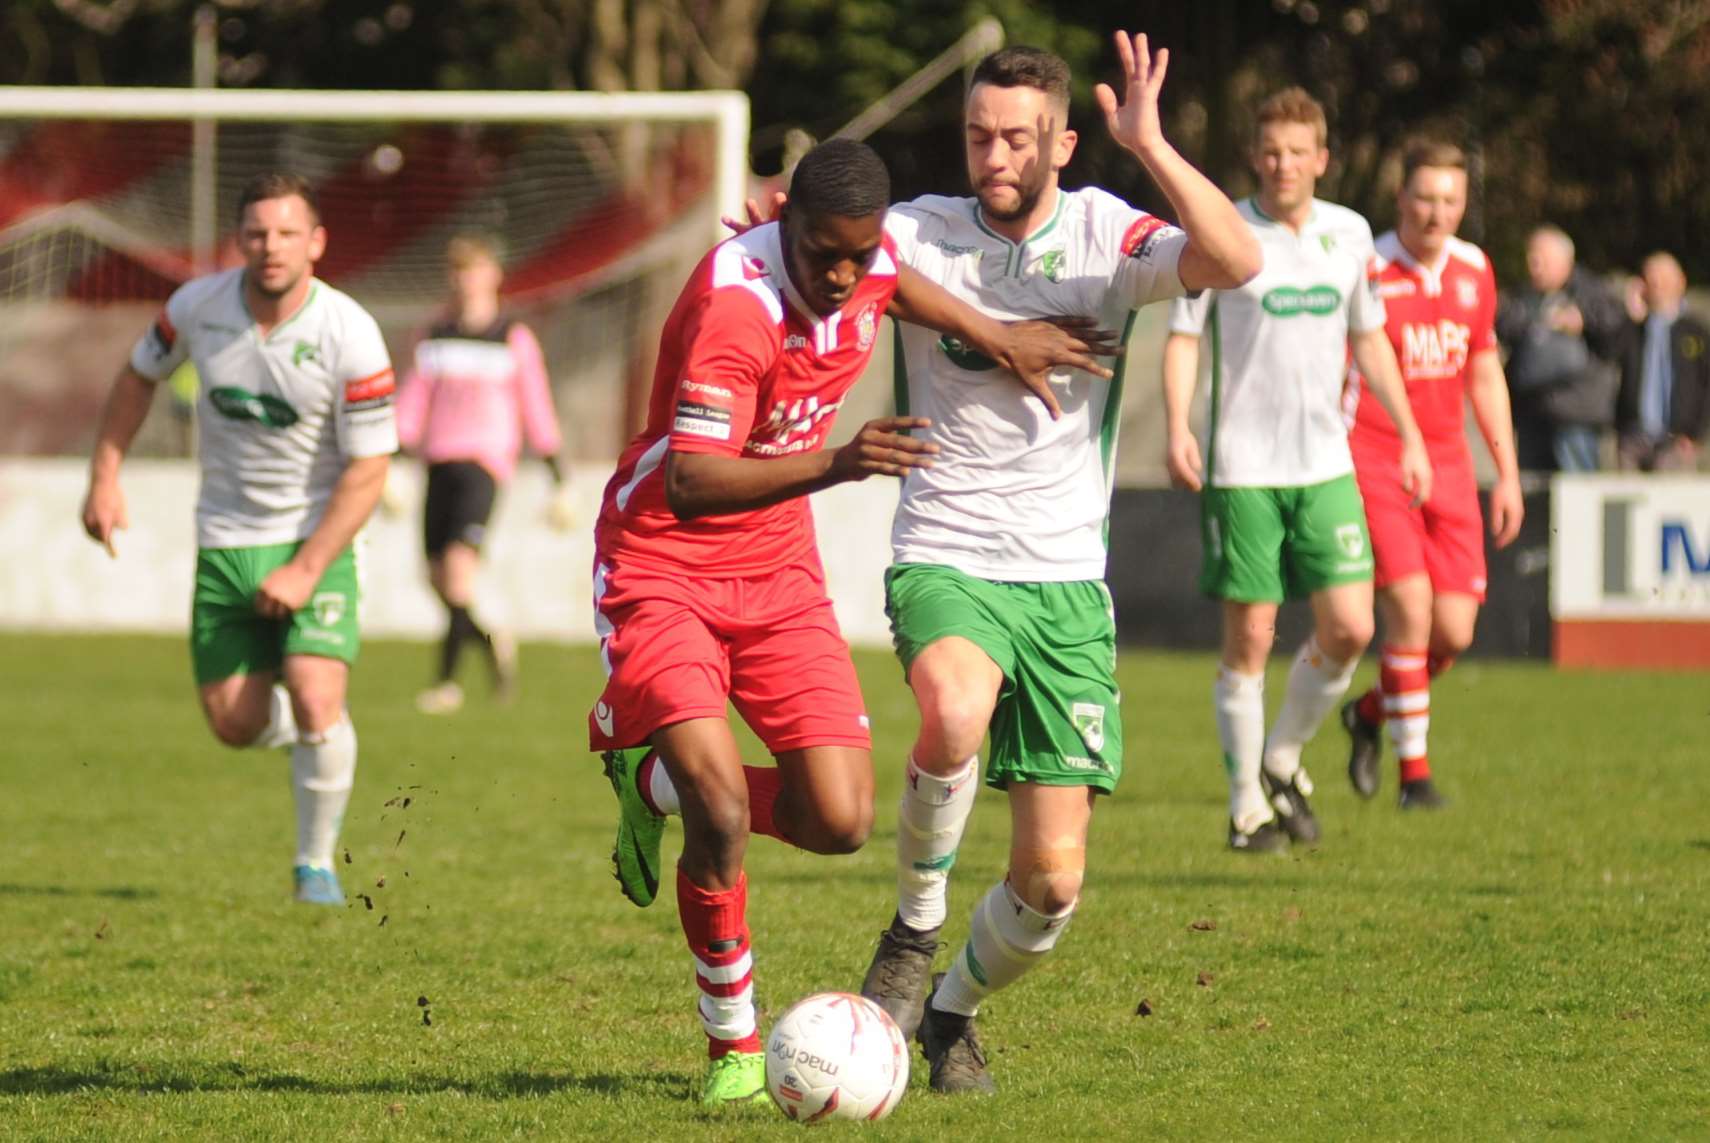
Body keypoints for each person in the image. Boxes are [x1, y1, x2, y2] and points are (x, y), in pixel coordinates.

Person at [589, 138, 1118, 1107]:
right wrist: (840, 462)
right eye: (822, 253)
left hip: (778, 568)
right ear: (782, 222)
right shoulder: (735, 311)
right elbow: (693, 479)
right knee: (724, 809)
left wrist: (1002, 338)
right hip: (663, 559)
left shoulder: (863, 261)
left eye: (856, 253)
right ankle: (734, 1046)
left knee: (838, 819)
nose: (842, 275)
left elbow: (897, 283)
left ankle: (648, 776)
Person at [80, 172, 395, 906]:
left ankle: (314, 863)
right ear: (238, 240)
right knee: (233, 723)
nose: (270, 246)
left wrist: (308, 565)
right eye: (256, 232)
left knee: (317, 693)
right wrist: (105, 476)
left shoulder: (349, 330)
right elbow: (136, 378)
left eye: (287, 232)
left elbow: (371, 467)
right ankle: (316, 735)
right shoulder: (196, 306)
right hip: (224, 537)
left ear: (316, 243)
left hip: (316, 535)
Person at [1161, 87, 1432, 853]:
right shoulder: (1221, 230)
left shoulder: (1350, 236)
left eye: (1298, 152)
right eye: (1271, 151)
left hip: (1326, 463)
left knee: (1351, 625)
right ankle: (1247, 806)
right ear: (1256, 156)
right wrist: (1178, 423)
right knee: (1251, 635)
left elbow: (1371, 339)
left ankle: (1282, 754)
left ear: (1323, 159)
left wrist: (1407, 431)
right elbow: (1185, 335)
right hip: (1242, 467)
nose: (1284, 165)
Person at [1338, 140, 1524, 809]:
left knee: (1452, 634)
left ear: (1464, 203)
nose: (1436, 212)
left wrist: (1505, 471)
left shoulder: (1476, 269)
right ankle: (1415, 777)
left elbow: (1482, 370)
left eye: (1450, 199)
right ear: (1400, 199)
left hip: (1448, 462)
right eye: (1424, 197)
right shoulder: (1368, 267)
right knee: (1410, 611)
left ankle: (1367, 711)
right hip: (1377, 455)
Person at [394, 234, 570, 714]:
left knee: (456, 574)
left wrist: (557, 470)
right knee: (435, 577)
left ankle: (446, 684)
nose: (464, 281)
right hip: (439, 462)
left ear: (493, 276)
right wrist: (394, 455)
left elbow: (536, 405)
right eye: (457, 271)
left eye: (473, 270)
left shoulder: (513, 337)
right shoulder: (433, 333)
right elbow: (413, 398)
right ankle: (492, 641)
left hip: (484, 464)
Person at [1495, 225, 1626, 472]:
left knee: (1577, 497)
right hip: (1533, 413)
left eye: (1541, 260)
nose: (1533, 267)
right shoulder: (1524, 296)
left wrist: (1582, 318)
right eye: (1531, 259)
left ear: (1564, 261)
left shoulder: (1591, 291)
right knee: (1533, 495)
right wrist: (1534, 323)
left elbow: (1616, 323)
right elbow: (1504, 325)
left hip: (1576, 415)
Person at [1614, 251, 1710, 472]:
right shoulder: (1633, 329)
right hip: (1632, 437)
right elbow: (1610, 355)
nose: (1658, 288)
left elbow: (1705, 385)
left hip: (1675, 440)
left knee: (1672, 503)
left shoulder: (1695, 332)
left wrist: (1696, 433)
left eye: (1664, 281)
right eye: (1651, 281)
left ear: (1681, 282)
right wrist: (1632, 315)